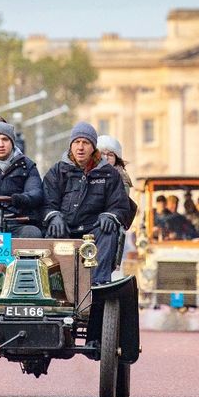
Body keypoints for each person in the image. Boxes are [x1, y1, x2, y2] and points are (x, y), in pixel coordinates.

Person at [42, 122, 129, 284]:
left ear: (93, 147)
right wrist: (54, 216)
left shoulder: (109, 174)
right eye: (77, 142)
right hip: (65, 229)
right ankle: (54, 283)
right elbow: (46, 202)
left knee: (108, 231)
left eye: (86, 143)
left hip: (94, 230)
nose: (80, 147)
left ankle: (98, 283)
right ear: (71, 145)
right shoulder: (57, 171)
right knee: (53, 230)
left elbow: (120, 205)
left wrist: (110, 216)